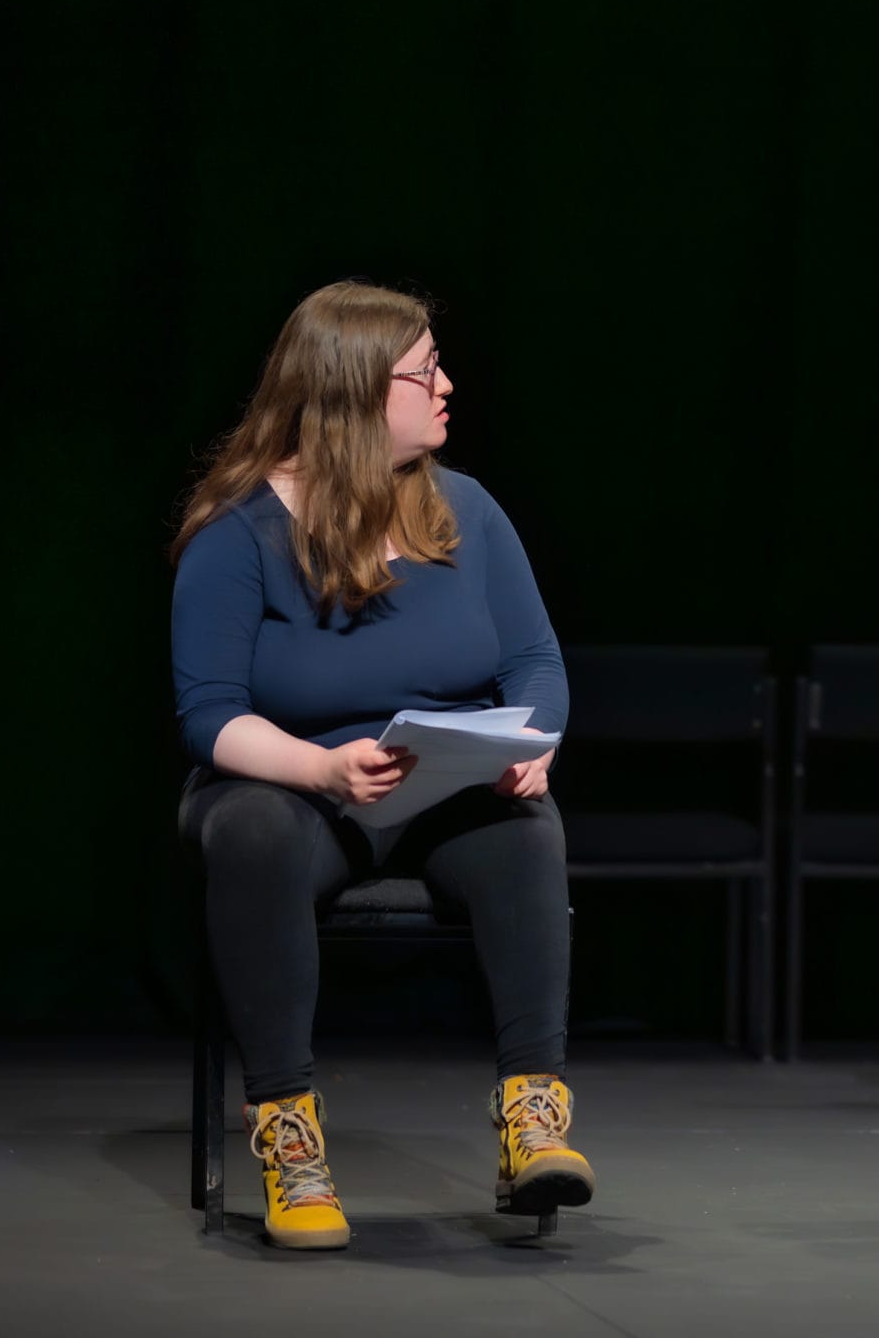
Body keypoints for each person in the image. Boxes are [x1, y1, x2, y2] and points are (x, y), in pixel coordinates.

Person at [169, 280, 588, 1249]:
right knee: (252, 828)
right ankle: (288, 1131)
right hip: (292, 784)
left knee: (528, 828)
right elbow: (210, 716)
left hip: (439, 786)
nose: (448, 385)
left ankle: (533, 1117)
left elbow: (534, 660)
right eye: (425, 370)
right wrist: (319, 771)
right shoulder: (239, 533)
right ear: (355, 390)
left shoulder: (466, 512)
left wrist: (534, 742)